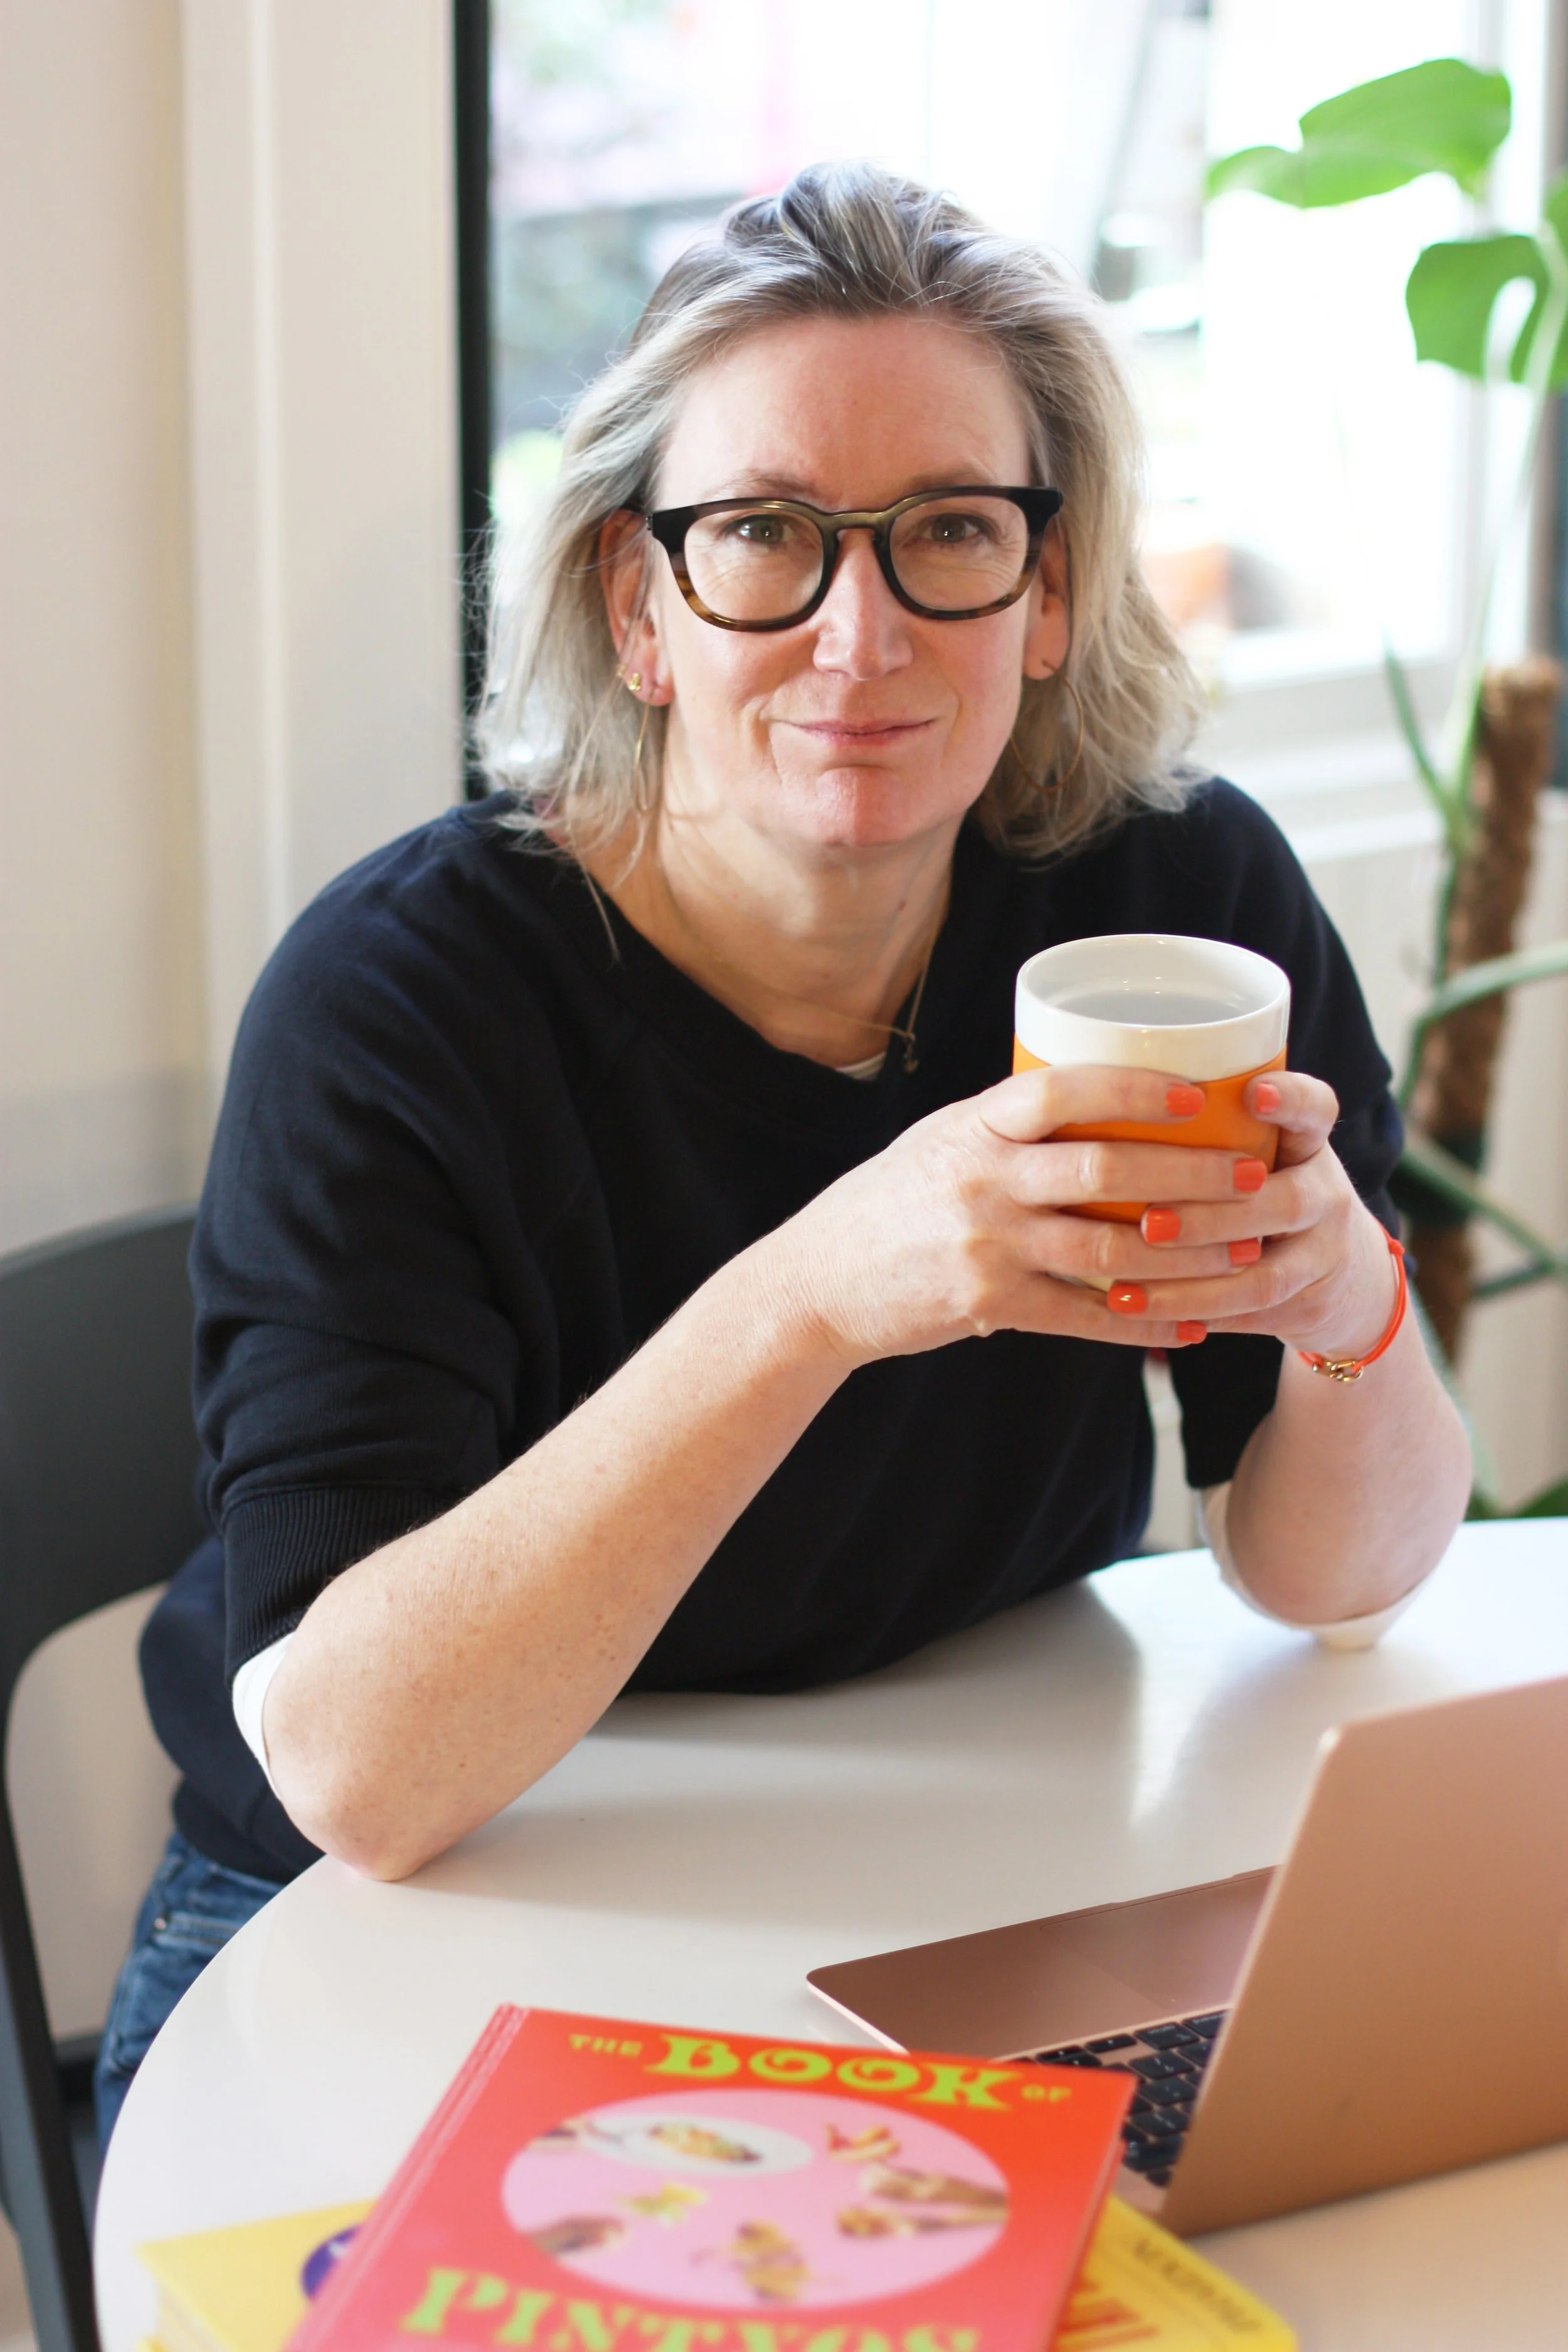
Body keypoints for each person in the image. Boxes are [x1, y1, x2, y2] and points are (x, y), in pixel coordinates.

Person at [98, 163, 1470, 2143]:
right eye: (762, 537)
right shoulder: (399, 1005)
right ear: (636, 602)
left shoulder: (1175, 912)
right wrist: (818, 1290)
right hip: (387, 1917)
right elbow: (352, 1773)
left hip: (950, 1872)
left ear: (1049, 590)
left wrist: (1344, 1298)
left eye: (948, 534)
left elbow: (1333, 1572)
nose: (861, 634)